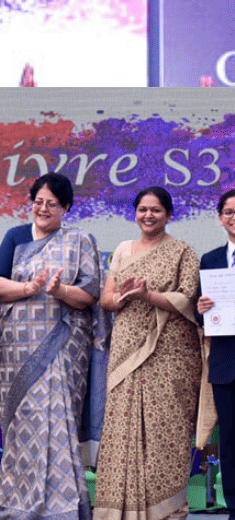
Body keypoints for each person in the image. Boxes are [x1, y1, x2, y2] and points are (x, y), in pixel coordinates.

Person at [0, 172, 107, 520]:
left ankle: (62, 508)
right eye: (37, 202)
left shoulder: (80, 240)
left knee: (56, 422)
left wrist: (58, 291)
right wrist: (28, 289)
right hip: (17, 349)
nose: (42, 209)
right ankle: (17, 505)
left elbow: (89, 295)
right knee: (24, 425)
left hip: (62, 348)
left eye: (51, 204)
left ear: (65, 207)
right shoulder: (16, 236)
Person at [95, 186, 202, 520]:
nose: (148, 215)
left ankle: (166, 511)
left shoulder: (183, 252)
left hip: (171, 355)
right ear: (135, 213)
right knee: (122, 429)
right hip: (127, 350)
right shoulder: (123, 250)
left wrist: (148, 296)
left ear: (168, 214)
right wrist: (122, 298)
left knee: (166, 432)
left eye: (155, 210)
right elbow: (106, 299)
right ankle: (121, 511)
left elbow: (187, 298)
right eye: (142, 209)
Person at [199, 188, 235, 520]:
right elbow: (203, 317)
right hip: (226, 364)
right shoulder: (210, 260)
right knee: (231, 443)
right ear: (220, 218)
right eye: (229, 212)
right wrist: (201, 309)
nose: (234, 218)